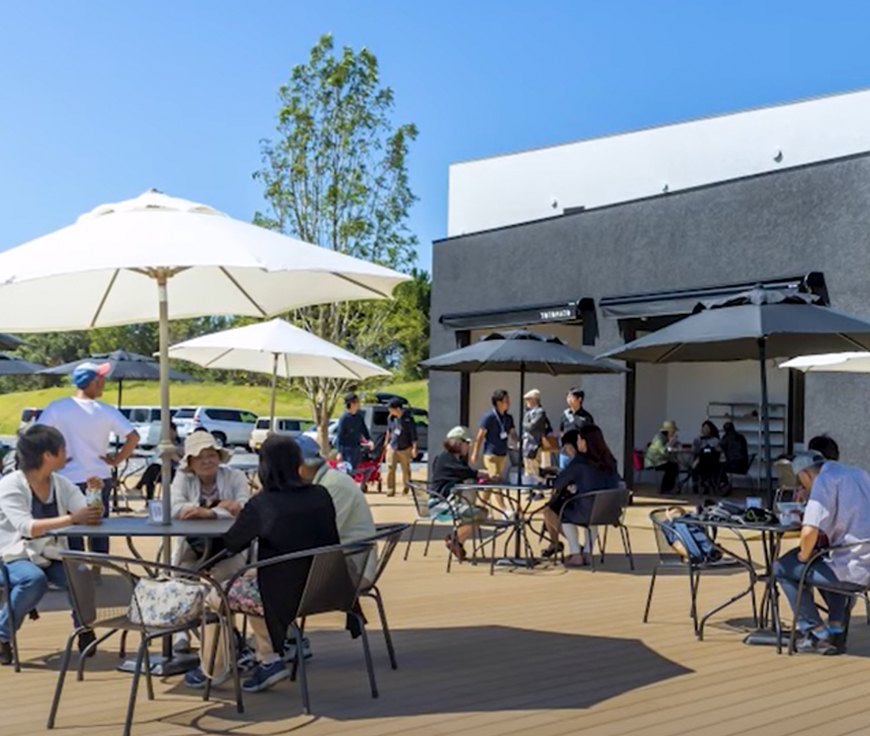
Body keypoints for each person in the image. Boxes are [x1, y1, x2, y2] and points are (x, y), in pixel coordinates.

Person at [187, 435, 340, 692]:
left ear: (264, 466)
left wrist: (199, 560)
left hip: (278, 594)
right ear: (297, 463)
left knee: (214, 596)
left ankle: (214, 667)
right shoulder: (321, 494)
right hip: (323, 586)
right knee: (253, 584)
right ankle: (268, 659)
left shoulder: (264, 504)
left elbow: (232, 544)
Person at [0, 425, 102, 664]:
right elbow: (27, 527)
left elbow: (87, 514)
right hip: (11, 554)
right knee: (33, 579)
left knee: (80, 572)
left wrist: (94, 495)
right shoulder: (10, 485)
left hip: (48, 553)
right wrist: (72, 519)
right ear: (48, 455)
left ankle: (84, 627)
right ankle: (2, 635)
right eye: (63, 448)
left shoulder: (61, 483)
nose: (67, 453)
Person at [37, 361, 140, 554]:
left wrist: (53, 460)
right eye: (101, 379)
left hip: (66, 476)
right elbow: (133, 437)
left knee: (72, 529)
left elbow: (35, 436)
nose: (103, 383)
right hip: (99, 475)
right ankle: (97, 572)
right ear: (94, 382)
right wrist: (117, 459)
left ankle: (77, 573)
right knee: (99, 529)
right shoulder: (105, 410)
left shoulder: (57, 407)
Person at [774, 451, 870, 655]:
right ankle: (836, 627)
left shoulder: (824, 480)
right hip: (864, 561)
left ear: (806, 474)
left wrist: (803, 557)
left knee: (783, 567)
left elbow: (809, 532)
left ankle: (816, 633)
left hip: (850, 569)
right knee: (826, 556)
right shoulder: (858, 474)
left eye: (802, 481)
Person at [170, 431, 251, 655]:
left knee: (228, 575)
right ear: (190, 462)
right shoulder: (182, 479)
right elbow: (174, 508)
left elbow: (243, 508)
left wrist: (208, 513)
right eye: (200, 456)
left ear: (219, 457)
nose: (207, 460)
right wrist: (223, 508)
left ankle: (227, 630)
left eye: (211, 454)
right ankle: (181, 631)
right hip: (192, 543)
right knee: (180, 573)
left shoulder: (235, 476)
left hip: (229, 544)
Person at [541, 425, 622, 568]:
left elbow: (559, 483)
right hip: (609, 511)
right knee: (593, 515)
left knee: (564, 513)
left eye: (579, 440)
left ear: (585, 442)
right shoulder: (611, 461)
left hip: (586, 511)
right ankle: (588, 552)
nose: (578, 443)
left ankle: (576, 553)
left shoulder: (580, 463)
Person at [430, 426, 492, 561]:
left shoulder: (451, 458)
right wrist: (484, 474)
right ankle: (455, 540)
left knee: (476, 512)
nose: (468, 446)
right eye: (467, 443)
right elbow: (466, 473)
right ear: (459, 442)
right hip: (441, 503)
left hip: (447, 501)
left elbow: (466, 473)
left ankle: (456, 542)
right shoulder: (446, 459)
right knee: (478, 514)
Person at [470, 389, 517, 484]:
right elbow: (480, 437)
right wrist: (475, 453)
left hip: (502, 454)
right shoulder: (489, 417)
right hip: (491, 454)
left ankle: (483, 498)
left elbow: (513, 433)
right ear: (498, 402)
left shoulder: (508, 418)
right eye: (506, 400)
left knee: (491, 481)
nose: (508, 402)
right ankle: (501, 499)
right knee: (496, 479)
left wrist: (518, 443)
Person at [135, 422, 183, 501]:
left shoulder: (180, 443)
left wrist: (173, 452)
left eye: (170, 432)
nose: (168, 435)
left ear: (175, 432)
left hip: (175, 471)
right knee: (152, 472)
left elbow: (181, 455)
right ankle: (149, 499)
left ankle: (139, 485)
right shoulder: (163, 443)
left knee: (152, 470)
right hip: (163, 469)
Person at [385, 397, 417, 497]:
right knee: (390, 467)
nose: (389, 411)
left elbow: (413, 434)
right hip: (393, 446)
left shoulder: (408, 419)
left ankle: (406, 487)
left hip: (405, 447)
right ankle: (390, 489)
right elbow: (389, 430)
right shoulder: (391, 418)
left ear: (398, 409)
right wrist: (386, 442)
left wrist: (414, 447)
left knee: (405, 469)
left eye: (391, 409)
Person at [335, 393, 373, 471]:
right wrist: (339, 452)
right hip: (346, 449)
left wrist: (369, 440)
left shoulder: (359, 416)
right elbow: (339, 436)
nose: (358, 404)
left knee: (355, 469)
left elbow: (364, 430)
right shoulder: (344, 418)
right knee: (348, 470)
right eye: (357, 402)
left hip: (356, 447)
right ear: (351, 404)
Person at [559, 389, 594, 469]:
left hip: (580, 453)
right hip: (565, 452)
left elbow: (591, 435)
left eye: (571, 397)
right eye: (567, 397)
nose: (568, 399)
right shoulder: (565, 415)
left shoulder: (586, 417)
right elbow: (561, 431)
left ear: (579, 399)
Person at [522, 389, 552, 482]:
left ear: (534, 399)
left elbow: (531, 426)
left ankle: (539, 490)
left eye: (528, 399)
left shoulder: (540, 412)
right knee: (528, 468)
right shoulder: (528, 412)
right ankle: (531, 490)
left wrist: (525, 424)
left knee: (535, 468)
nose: (526, 402)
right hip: (527, 443)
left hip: (535, 444)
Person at [645, 420, 680, 493]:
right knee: (672, 467)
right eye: (672, 432)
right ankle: (665, 488)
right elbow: (663, 451)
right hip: (654, 461)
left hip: (662, 460)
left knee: (674, 465)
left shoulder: (666, 438)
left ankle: (670, 487)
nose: (673, 433)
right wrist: (670, 443)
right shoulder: (659, 438)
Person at [692, 420, 721, 493]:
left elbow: (711, 450)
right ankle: (695, 484)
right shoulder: (699, 438)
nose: (705, 430)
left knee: (704, 457)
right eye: (704, 428)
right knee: (696, 462)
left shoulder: (715, 440)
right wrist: (696, 443)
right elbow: (695, 450)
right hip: (699, 460)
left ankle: (705, 483)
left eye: (707, 428)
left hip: (711, 461)